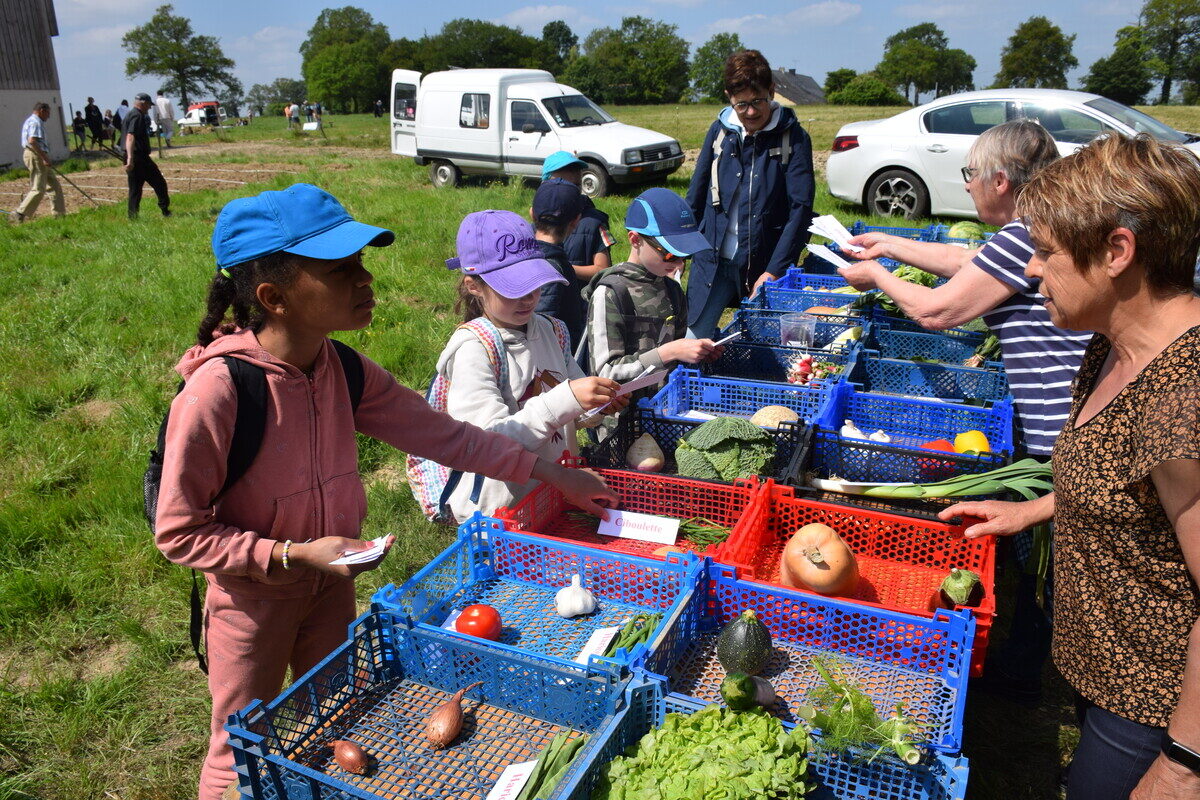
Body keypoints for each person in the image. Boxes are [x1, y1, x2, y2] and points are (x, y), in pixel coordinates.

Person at [153, 183, 617, 800]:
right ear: (274, 297)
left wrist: (557, 476)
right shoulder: (220, 392)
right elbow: (178, 531)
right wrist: (290, 555)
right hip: (252, 606)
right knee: (242, 745)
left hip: (330, 587)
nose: (365, 279)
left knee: (338, 720)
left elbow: (453, 439)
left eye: (362, 263)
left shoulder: (342, 369)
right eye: (342, 270)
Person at [940, 133, 1200, 800]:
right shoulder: (1112, 342)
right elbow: (1123, 478)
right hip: (1103, 677)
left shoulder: (1183, 403)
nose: (1030, 271)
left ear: (1117, 251)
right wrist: (1030, 508)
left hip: (1152, 704)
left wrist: (1181, 763)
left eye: (1046, 253)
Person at [838, 121, 1093, 703]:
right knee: (1051, 550)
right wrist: (891, 244)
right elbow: (964, 259)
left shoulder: (1024, 235)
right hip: (1068, 415)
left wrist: (875, 274)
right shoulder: (1034, 231)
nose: (969, 186)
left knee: (1054, 558)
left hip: (1061, 425)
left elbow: (935, 313)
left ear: (1000, 181)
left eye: (970, 174)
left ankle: (1048, 667)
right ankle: (1037, 656)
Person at [438, 209, 625, 521]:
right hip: (499, 512)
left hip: (554, 490)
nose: (527, 298)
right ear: (474, 286)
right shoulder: (475, 349)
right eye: (512, 289)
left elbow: (571, 408)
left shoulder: (553, 330)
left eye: (534, 285)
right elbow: (486, 444)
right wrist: (567, 399)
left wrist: (596, 406)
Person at [685, 49, 816, 339]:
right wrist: (680, 249)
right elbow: (696, 194)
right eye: (741, 104)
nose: (752, 112)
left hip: (765, 261)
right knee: (693, 342)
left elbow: (801, 208)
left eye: (758, 101)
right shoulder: (719, 133)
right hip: (713, 259)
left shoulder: (793, 138)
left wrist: (775, 269)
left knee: (767, 344)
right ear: (729, 98)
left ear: (772, 91)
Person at [582, 187, 722, 405]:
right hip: (622, 419)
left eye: (686, 255)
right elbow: (605, 373)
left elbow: (675, 352)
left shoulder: (672, 289)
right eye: (670, 254)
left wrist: (695, 353)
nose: (678, 264)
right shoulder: (610, 293)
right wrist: (668, 352)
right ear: (635, 240)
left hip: (665, 407)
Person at [530, 178, 587, 349]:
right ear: (576, 221)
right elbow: (540, 328)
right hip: (553, 363)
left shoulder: (526, 255)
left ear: (532, 214)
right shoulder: (550, 267)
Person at [540, 151, 614, 280]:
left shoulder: (593, 222)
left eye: (576, 185)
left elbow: (603, 270)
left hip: (580, 297)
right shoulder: (539, 218)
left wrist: (561, 268)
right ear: (544, 186)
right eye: (562, 184)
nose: (569, 191)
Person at [12, 102, 65, 224]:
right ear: (42, 110)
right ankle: (19, 213)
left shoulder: (31, 121)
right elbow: (32, 141)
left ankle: (60, 216)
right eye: (48, 113)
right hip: (35, 155)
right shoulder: (36, 122)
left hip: (36, 154)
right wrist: (44, 157)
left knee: (54, 186)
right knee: (38, 188)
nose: (48, 116)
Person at [122, 92, 170, 219]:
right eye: (148, 104)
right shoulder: (137, 116)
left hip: (131, 156)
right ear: (142, 103)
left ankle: (132, 217)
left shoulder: (129, 115)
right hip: (139, 158)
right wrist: (131, 159)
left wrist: (127, 157)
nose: (149, 107)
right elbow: (130, 136)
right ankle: (165, 210)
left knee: (135, 190)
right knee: (159, 183)